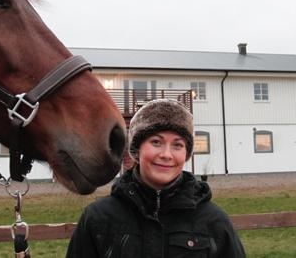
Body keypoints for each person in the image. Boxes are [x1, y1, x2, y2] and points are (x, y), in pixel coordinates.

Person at [66, 99, 246, 257]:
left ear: (186, 153)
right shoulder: (99, 218)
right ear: (137, 150)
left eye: (177, 145)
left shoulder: (213, 222)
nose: (166, 154)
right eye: (156, 142)